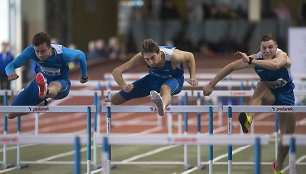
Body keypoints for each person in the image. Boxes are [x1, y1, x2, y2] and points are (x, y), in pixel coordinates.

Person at [203, 33, 295, 174]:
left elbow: (276, 65)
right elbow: (231, 67)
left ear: (276, 47)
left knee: (287, 137)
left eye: (270, 47)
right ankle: (248, 118)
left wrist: (251, 62)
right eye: (264, 48)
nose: (267, 51)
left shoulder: (283, 57)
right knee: (262, 85)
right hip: (268, 95)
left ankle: (277, 167)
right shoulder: (255, 57)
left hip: (286, 97)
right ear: (260, 48)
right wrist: (211, 84)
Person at [5, 32, 88, 119]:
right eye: (37, 51)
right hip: (38, 84)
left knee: (54, 87)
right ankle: (42, 101)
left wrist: (84, 76)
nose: (40, 54)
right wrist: (10, 73)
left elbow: (81, 55)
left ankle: (46, 91)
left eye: (43, 51)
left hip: (61, 83)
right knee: (10, 113)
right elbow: (10, 65)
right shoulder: (31, 51)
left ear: (50, 48)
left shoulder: (64, 54)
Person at [111, 38, 198, 116]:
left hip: (174, 80)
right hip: (153, 79)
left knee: (165, 88)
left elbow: (190, 56)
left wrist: (193, 76)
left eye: (153, 57)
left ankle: (162, 106)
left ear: (159, 53)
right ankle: (112, 95)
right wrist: (123, 85)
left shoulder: (174, 56)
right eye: (147, 59)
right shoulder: (140, 58)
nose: (151, 62)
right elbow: (116, 71)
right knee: (116, 100)